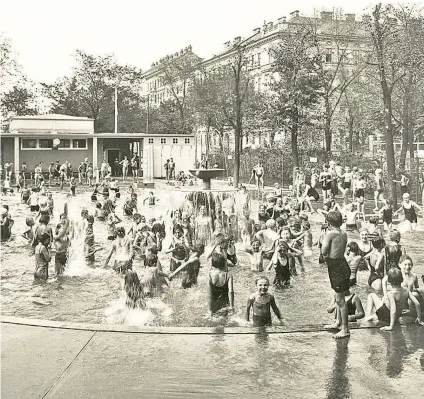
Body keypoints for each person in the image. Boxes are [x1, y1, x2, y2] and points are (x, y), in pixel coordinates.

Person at [322, 211, 351, 339]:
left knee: (340, 300)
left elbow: (324, 251)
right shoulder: (344, 233)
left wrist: (323, 238)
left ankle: (345, 329)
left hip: (335, 267)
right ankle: (339, 322)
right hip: (343, 264)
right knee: (338, 295)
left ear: (328, 222)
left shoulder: (330, 234)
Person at [208, 252, 234, 316]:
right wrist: (231, 307)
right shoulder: (228, 275)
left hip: (214, 303)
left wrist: (209, 310)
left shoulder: (210, 275)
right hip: (225, 302)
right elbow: (231, 291)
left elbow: (209, 293)